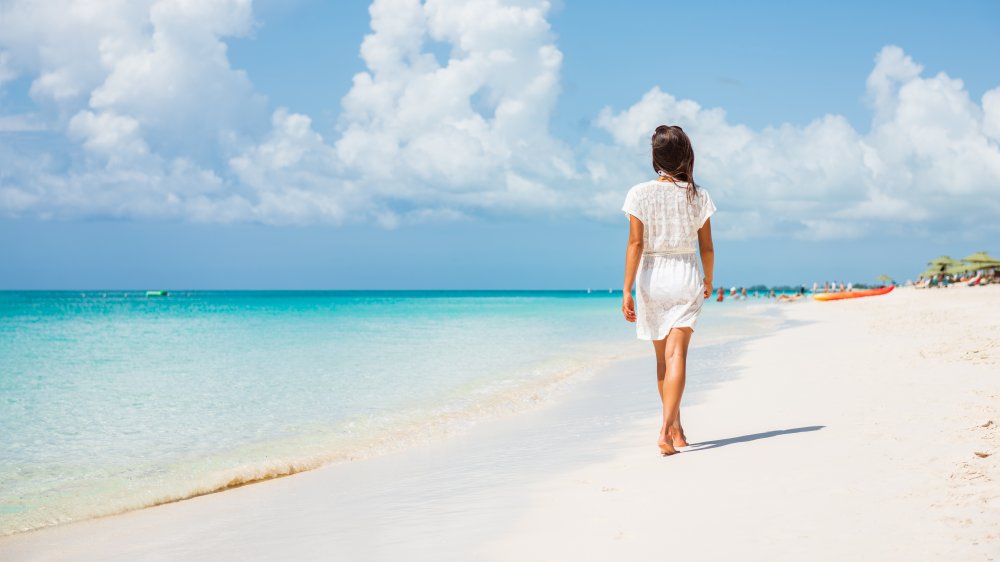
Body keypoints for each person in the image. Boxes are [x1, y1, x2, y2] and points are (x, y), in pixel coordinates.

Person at [621, 124, 716, 457]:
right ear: (687, 155)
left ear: (655, 158)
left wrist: (626, 290)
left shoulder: (639, 193)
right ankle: (668, 430)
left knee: (663, 360)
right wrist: (708, 279)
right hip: (685, 274)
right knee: (678, 357)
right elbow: (707, 248)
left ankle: (675, 430)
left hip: (651, 278)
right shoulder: (698, 195)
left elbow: (635, 243)